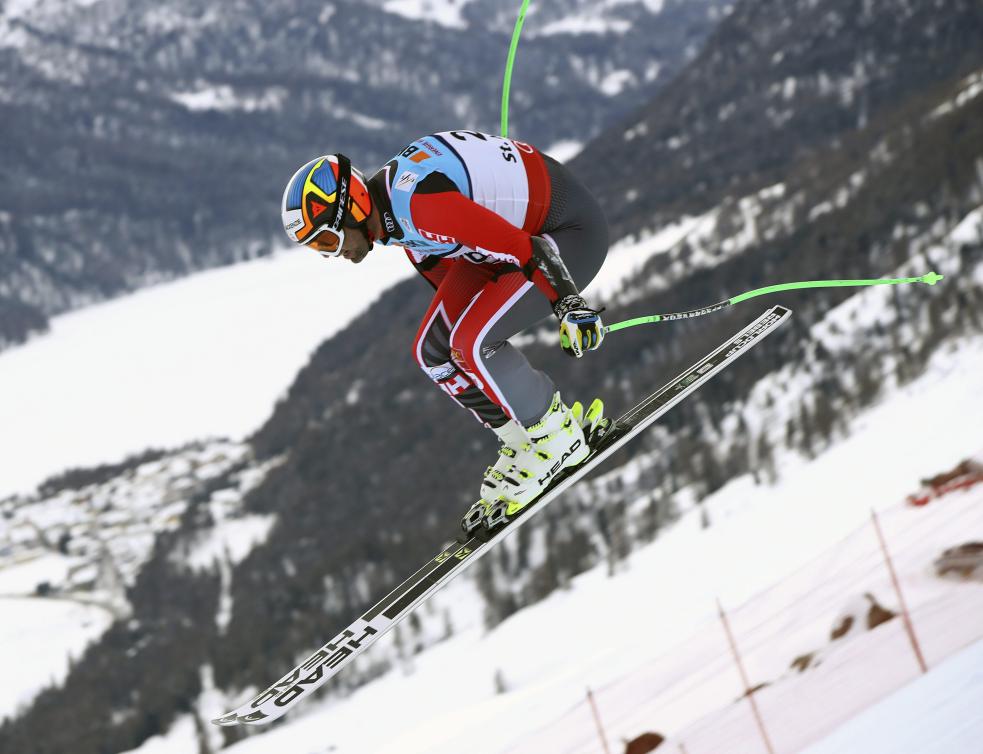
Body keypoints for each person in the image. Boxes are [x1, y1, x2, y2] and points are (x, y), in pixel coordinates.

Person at [280, 130, 610, 532]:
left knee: (471, 343)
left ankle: (558, 438)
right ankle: (524, 440)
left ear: (354, 206)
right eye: (319, 250)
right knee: (434, 351)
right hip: (525, 242)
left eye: (329, 240)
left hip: (568, 233)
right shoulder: (401, 229)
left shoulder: (418, 208)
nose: (335, 254)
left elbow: (526, 249)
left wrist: (568, 304)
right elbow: (464, 296)